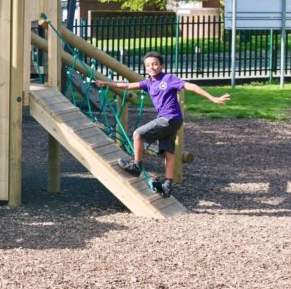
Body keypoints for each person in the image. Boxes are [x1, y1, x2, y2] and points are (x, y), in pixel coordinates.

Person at [95, 51, 229, 198]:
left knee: (137, 134)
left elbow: (190, 86)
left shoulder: (169, 78)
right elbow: (126, 86)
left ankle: (136, 165)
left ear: (161, 66)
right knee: (168, 154)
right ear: (145, 68)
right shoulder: (148, 83)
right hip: (174, 121)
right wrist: (106, 83)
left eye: (155, 64)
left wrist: (212, 98)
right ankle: (167, 185)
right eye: (148, 65)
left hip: (169, 118)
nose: (152, 67)